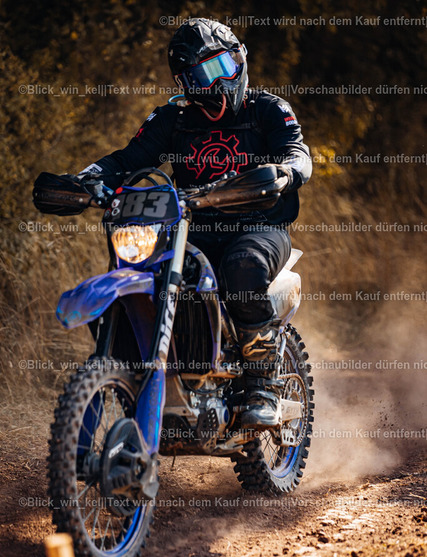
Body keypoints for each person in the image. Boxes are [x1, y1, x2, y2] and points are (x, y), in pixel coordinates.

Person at [78, 18, 312, 430]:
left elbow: (297, 151)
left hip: (258, 226)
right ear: (184, 82)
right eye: (200, 75)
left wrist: (287, 171)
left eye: (221, 67)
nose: (215, 82)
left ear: (238, 59)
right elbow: (129, 160)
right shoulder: (174, 119)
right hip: (190, 225)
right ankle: (139, 379)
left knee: (243, 267)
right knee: (143, 270)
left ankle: (262, 386)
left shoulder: (268, 109)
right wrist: (87, 178)